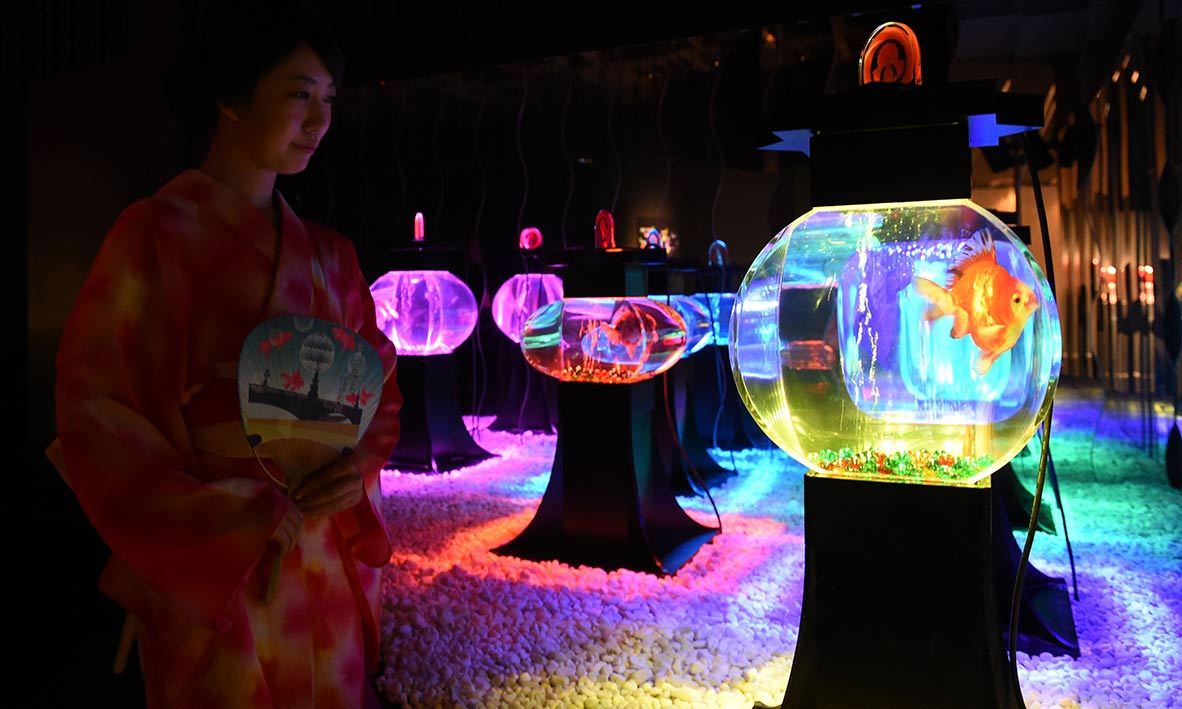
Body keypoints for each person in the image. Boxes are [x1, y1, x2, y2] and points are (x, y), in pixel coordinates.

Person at [45, 2, 400, 706]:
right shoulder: (155, 235)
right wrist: (225, 517)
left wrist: (355, 468)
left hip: (320, 540)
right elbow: (95, 407)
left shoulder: (332, 255)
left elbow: (379, 385)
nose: (320, 120)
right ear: (231, 98)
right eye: (299, 95)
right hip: (225, 551)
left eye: (328, 99)